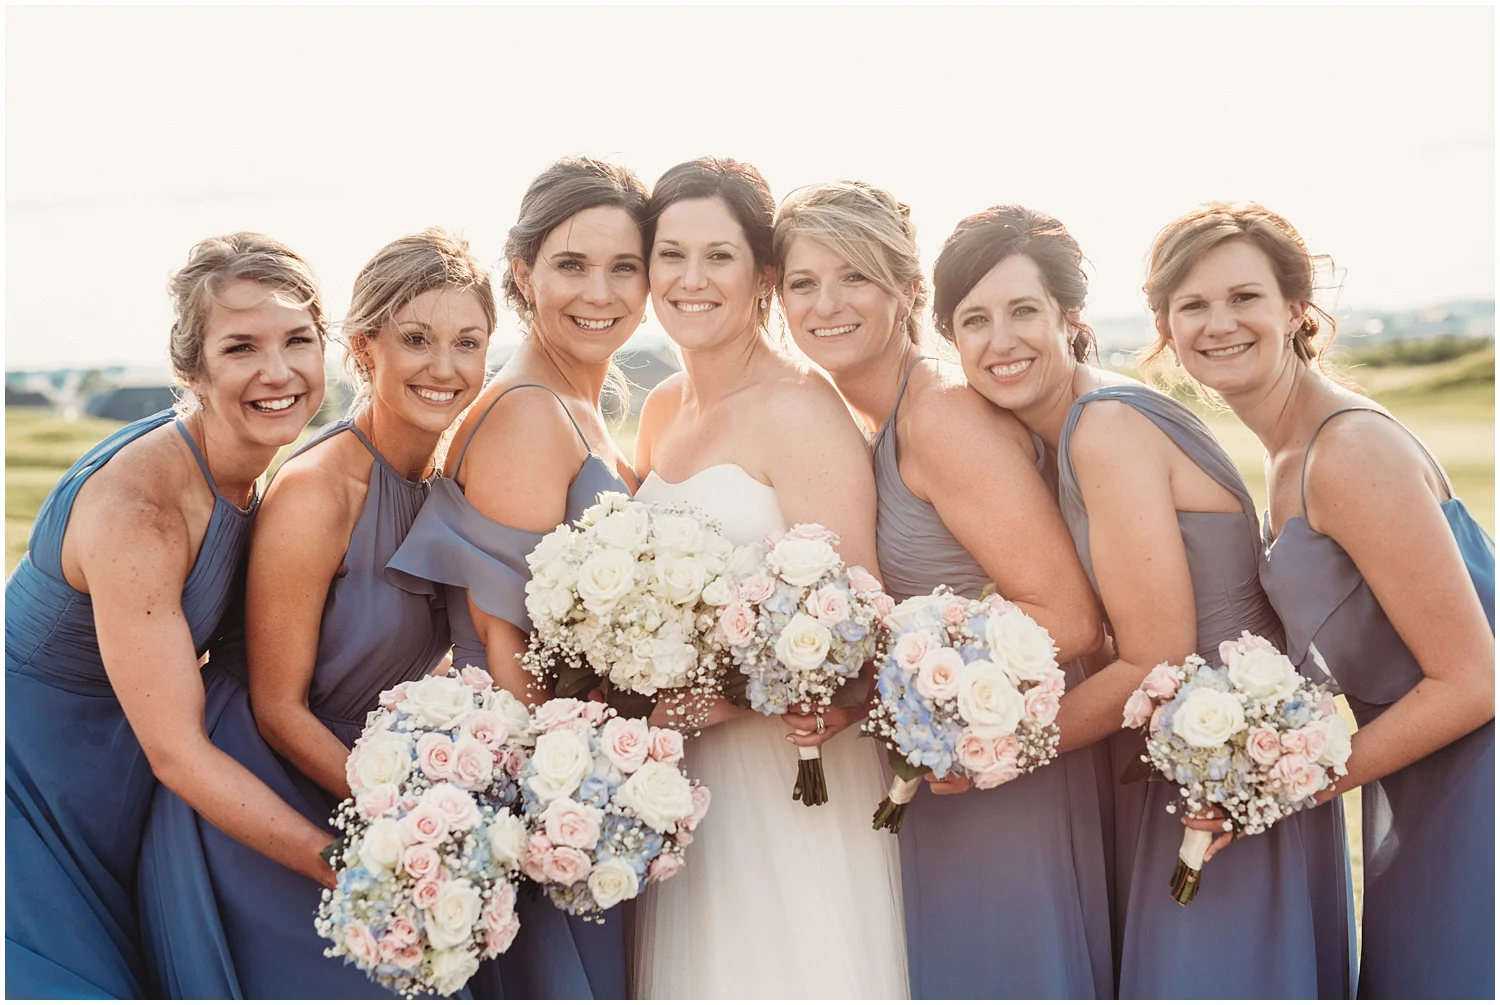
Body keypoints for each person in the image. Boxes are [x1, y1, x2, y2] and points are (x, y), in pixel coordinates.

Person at [931, 205, 1355, 997]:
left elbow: (1155, 655)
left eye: (1024, 310)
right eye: (974, 320)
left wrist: (993, 749)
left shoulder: (1107, 429)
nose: (1001, 340)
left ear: (1070, 317)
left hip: (1220, 775)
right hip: (1174, 760)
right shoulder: (1067, 427)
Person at [1143, 201, 1494, 999]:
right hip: (1420, 776)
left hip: (1476, 783)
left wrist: (1274, 786)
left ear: (1296, 309)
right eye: (1193, 305)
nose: (1218, 323)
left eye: (1244, 297)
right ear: (1166, 325)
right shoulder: (1289, 453)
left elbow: (1475, 679)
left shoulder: (1349, 450)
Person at [772, 179, 1112, 998]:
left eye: (855, 276)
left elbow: (1069, 617)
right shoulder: (879, 421)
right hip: (947, 769)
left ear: (907, 290)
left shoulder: (942, 416)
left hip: (1000, 779)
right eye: (803, 283)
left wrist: (930, 699)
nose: (827, 304)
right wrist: (863, 700)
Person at [136, 228, 493, 997]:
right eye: (417, 339)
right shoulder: (318, 491)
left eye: (468, 342)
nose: (445, 367)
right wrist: (406, 819)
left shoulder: (447, 483)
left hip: (358, 784)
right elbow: (277, 707)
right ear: (364, 349)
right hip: (267, 796)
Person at [5, 234, 336, 997]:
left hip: (123, 795)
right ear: (192, 370)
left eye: (297, 340)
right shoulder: (140, 512)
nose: (278, 370)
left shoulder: (263, 477)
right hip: (26, 799)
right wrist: (345, 865)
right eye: (241, 347)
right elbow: (179, 752)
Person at [628, 158, 908, 999]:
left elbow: (859, 630)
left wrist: (722, 698)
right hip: (686, 780)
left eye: (719, 255)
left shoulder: (801, 409)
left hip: (786, 777)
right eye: (671, 255)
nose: (691, 278)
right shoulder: (660, 407)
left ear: (762, 277)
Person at [388, 158, 646, 999]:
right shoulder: (530, 411)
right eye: (572, 264)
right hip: (537, 790)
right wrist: (581, 805)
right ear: (524, 272)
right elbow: (507, 649)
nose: (599, 292)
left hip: (577, 766)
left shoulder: (574, 401)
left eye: (624, 266)